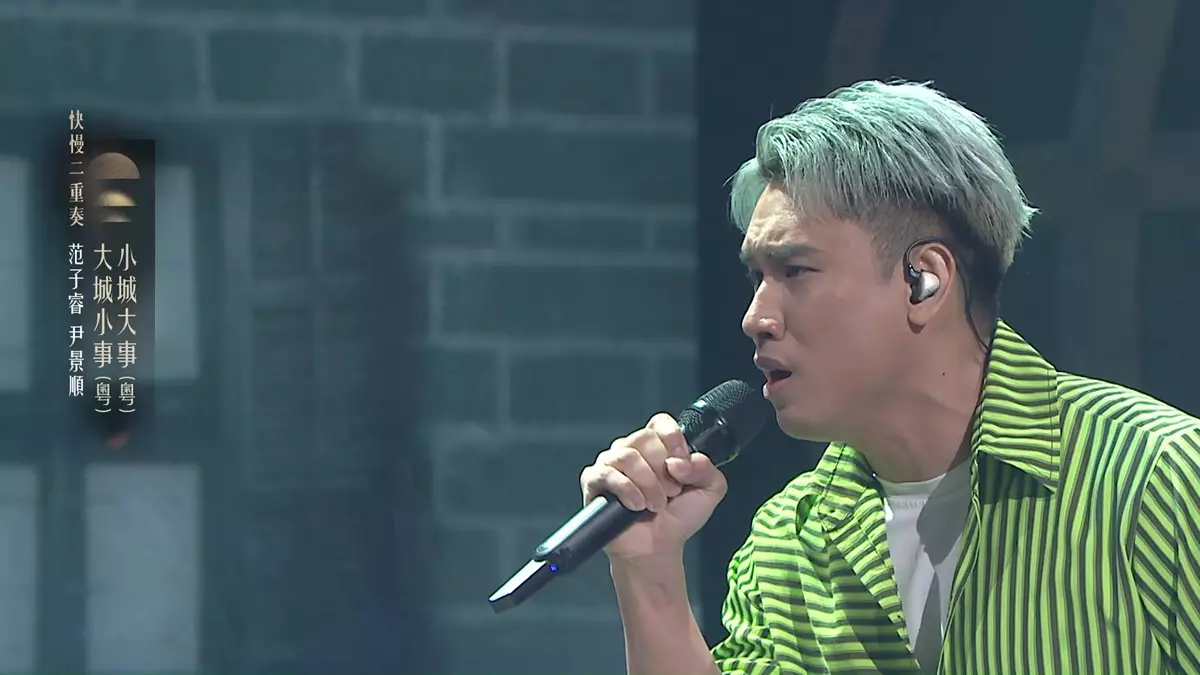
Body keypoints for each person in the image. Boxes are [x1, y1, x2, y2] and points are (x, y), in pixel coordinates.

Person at [580, 80, 1200, 675]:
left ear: (923, 281)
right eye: (756, 278)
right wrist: (648, 571)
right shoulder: (786, 544)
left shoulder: (1158, 479)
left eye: (795, 271)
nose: (756, 318)